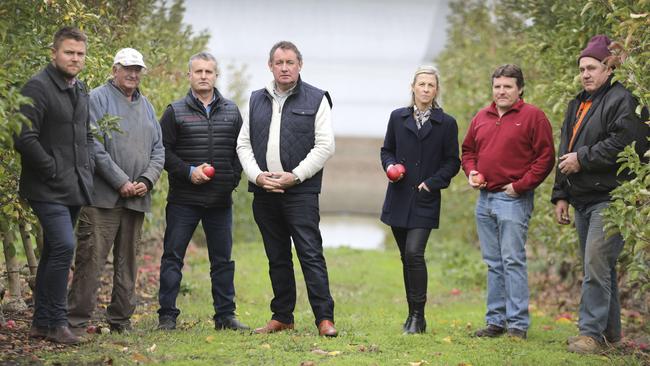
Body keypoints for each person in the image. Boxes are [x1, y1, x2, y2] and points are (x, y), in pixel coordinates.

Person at [551, 35, 648, 354]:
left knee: (595, 262)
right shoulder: (576, 103)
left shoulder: (624, 99)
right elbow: (565, 150)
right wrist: (560, 194)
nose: (586, 74)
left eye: (592, 67)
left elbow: (627, 143)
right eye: (582, 69)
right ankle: (611, 336)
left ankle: (590, 334)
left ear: (609, 68)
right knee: (598, 267)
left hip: (612, 198)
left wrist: (584, 158)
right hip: (581, 198)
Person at [237, 41, 338, 337]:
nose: (284, 67)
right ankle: (282, 316)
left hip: (301, 192)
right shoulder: (255, 99)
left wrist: (295, 176)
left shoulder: (317, 98)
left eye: (290, 62)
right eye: (279, 62)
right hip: (264, 191)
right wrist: (257, 176)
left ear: (300, 65)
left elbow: (325, 145)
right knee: (276, 255)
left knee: (310, 253)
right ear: (270, 66)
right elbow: (243, 143)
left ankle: (324, 319)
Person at [67, 48, 164, 334]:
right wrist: (121, 181)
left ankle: (121, 320)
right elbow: (92, 145)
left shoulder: (146, 105)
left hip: (137, 197)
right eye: (127, 68)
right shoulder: (96, 98)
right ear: (114, 69)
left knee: (128, 263)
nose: (133, 74)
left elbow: (159, 149)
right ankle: (76, 322)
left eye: (138, 69)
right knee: (91, 260)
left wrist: (146, 181)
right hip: (102, 199)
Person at [461, 64, 555, 340]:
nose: (501, 91)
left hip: (513, 198)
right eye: (497, 86)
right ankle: (495, 321)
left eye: (507, 86)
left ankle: (517, 325)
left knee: (512, 260)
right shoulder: (481, 117)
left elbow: (545, 158)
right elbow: (468, 151)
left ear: (520, 89)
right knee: (493, 262)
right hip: (484, 198)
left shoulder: (533, 117)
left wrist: (521, 186)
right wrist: (472, 171)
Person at [157, 52, 248, 331]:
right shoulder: (175, 111)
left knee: (222, 261)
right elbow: (163, 152)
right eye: (198, 71)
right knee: (173, 257)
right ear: (189, 75)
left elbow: (241, 151)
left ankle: (225, 317)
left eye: (209, 71)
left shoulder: (232, 111)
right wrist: (188, 171)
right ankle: (167, 317)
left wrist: (231, 180)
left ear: (216, 76)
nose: (204, 76)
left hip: (220, 201)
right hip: (184, 199)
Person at [14, 26, 94, 344]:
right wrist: (51, 168)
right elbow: (23, 135)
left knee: (53, 252)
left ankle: (41, 323)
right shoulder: (37, 87)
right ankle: (58, 322)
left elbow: (84, 135)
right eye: (69, 52)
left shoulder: (80, 88)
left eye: (79, 54)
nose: (75, 58)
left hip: (73, 186)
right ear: (54, 53)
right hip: (46, 185)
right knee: (63, 246)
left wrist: (84, 171)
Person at [380, 66, 460, 334]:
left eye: (431, 85)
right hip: (399, 196)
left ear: (436, 90)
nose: (426, 89)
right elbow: (387, 150)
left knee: (415, 253)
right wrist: (390, 166)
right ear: (413, 87)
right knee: (406, 257)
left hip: (425, 198)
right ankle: (412, 315)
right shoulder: (397, 117)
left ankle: (418, 316)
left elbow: (452, 162)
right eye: (422, 84)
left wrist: (433, 183)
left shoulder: (446, 123)